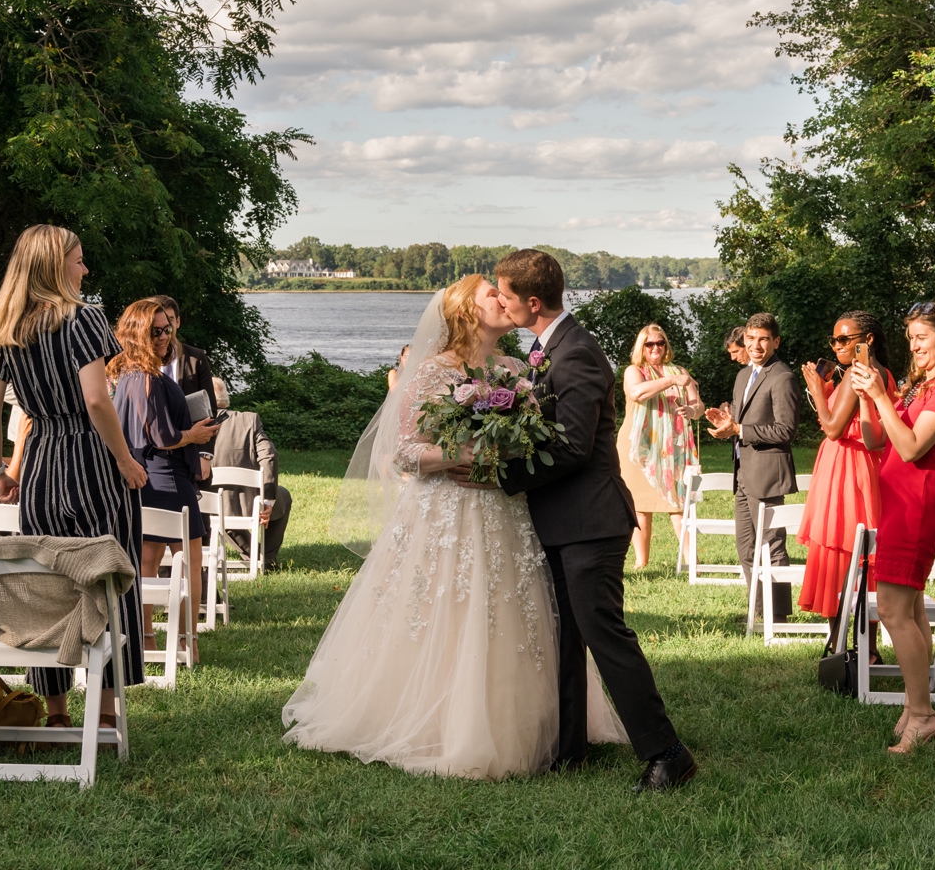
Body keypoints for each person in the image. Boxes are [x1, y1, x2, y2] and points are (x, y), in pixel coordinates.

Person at [285, 274, 626, 779]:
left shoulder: (516, 370)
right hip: (446, 510)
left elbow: (537, 439)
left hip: (505, 508)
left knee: (514, 611)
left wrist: (507, 454)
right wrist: (456, 455)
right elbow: (403, 448)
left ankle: (543, 725)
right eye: (493, 294)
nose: (502, 300)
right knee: (447, 610)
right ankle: (442, 723)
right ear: (467, 311)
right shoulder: (430, 371)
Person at [493, 249, 694, 791]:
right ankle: (569, 748)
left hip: (591, 520)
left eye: (506, 296)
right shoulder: (547, 349)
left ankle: (667, 751)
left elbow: (577, 447)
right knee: (566, 635)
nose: (501, 304)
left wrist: (505, 477)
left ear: (533, 302)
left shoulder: (576, 353)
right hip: (563, 520)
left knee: (605, 635)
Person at [0, 224, 149, 733]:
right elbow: (97, 400)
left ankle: (55, 713)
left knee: (47, 584)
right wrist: (123, 459)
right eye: (78, 260)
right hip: (94, 460)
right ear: (56, 265)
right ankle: (104, 712)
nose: (85, 269)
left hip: (42, 464)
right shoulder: (83, 319)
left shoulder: (1, 326)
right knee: (111, 578)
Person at [850, 301, 935, 754]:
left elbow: (909, 450)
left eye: (922, 337)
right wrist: (871, 398)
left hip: (916, 507)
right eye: (910, 338)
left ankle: (923, 714)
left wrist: (885, 397)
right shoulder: (921, 386)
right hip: (897, 506)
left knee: (891, 611)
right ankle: (915, 707)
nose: (914, 346)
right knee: (912, 612)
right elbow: (876, 440)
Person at [109, 298, 220, 662]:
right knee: (190, 561)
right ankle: (188, 643)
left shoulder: (126, 376)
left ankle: (147, 640)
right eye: (154, 330)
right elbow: (162, 436)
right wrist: (193, 435)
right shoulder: (149, 379)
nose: (163, 336)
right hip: (169, 477)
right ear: (137, 333)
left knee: (147, 565)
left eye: (167, 329)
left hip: (143, 480)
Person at [796, 312, 894, 656]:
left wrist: (816, 393)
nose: (837, 345)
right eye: (833, 340)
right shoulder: (878, 371)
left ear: (866, 340)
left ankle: (841, 646)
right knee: (862, 555)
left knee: (841, 551)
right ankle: (865, 646)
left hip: (849, 468)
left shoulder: (858, 373)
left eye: (844, 339)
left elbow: (834, 428)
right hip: (857, 466)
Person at [706, 313, 800, 620]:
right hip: (743, 472)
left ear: (775, 341)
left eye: (762, 339)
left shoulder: (782, 376)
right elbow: (739, 423)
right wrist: (726, 426)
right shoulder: (744, 376)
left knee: (772, 546)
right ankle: (758, 610)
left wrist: (739, 431)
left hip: (768, 474)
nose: (756, 345)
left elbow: (786, 431)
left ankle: (779, 616)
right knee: (746, 547)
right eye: (751, 339)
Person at [616, 324, 704, 570]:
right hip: (640, 446)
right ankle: (641, 563)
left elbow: (699, 407)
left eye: (660, 343)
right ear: (641, 348)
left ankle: (691, 562)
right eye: (649, 344)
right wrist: (673, 380)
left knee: (678, 504)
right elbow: (637, 393)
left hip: (673, 447)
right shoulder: (634, 371)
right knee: (641, 507)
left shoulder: (680, 371)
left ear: (666, 345)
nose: (655, 348)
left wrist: (692, 409)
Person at [209, 377, 292, 571]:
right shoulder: (249, 420)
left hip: (210, 503)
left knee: (219, 508)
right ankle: (266, 557)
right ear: (226, 399)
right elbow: (269, 455)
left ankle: (254, 554)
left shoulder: (192, 424)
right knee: (284, 496)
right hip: (251, 502)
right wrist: (267, 499)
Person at [152, 294, 217, 473]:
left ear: (177, 322)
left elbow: (210, 408)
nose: (165, 330)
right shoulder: (140, 363)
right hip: (153, 450)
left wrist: (205, 455)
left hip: (191, 448)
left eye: (169, 321)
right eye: (158, 326)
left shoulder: (196, 358)